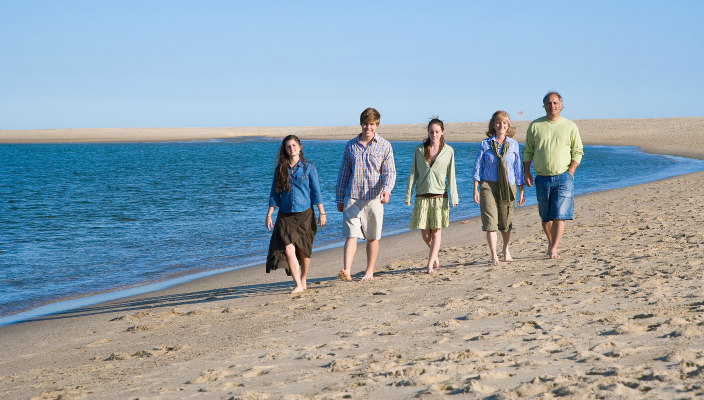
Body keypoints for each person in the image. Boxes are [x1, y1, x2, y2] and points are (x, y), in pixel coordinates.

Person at [335, 107, 396, 282]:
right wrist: (339, 198)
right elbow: (343, 173)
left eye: (371, 124)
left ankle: (369, 271)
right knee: (351, 235)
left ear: (376, 125)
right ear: (361, 124)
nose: (368, 128)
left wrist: (386, 190)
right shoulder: (351, 146)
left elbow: (390, 172)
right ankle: (347, 270)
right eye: (365, 124)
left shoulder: (384, 145)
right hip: (351, 197)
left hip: (374, 198)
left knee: (372, 236)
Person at [522, 91, 584, 259]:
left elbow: (578, 151)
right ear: (544, 106)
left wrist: (571, 170)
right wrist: (526, 172)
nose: (552, 106)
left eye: (555, 103)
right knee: (545, 216)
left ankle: (553, 248)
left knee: (559, 214)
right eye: (549, 103)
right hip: (542, 177)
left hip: (564, 176)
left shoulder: (570, 126)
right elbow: (528, 150)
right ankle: (551, 242)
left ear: (561, 105)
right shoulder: (535, 126)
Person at [266, 135, 327, 294]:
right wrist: (269, 214)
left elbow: (316, 192)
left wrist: (322, 212)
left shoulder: (309, 167)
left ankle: (304, 277)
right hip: (285, 215)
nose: (291, 148)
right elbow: (274, 193)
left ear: (300, 147)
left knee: (304, 250)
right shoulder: (281, 168)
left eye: (294, 145)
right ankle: (298, 284)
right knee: (288, 250)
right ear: (285, 150)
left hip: (305, 214)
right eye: (288, 146)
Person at [405, 117, 458, 274]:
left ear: (442, 133)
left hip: (439, 197)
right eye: (431, 132)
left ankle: (429, 264)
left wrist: (454, 197)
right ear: (428, 133)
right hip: (421, 196)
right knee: (425, 234)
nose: (433, 134)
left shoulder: (449, 151)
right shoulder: (419, 150)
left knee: (436, 231)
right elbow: (413, 173)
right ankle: (434, 255)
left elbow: (451, 175)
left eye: (436, 132)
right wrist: (408, 195)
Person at [472, 111, 525, 265]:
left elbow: (518, 168)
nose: (501, 126)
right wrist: (475, 187)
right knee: (490, 222)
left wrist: (521, 190)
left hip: (508, 186)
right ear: (493, 125)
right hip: (488, 185)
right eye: (498, 123)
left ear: (508, 126)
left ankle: (505, 249)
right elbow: (478, 166)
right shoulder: (485, 144)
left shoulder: (514, 144)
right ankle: (494, 255)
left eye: (504, 123)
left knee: (505, 223)